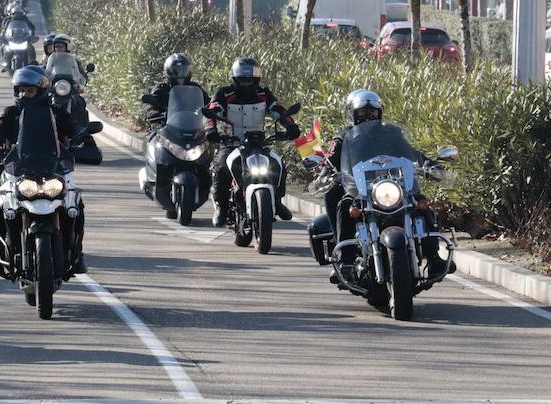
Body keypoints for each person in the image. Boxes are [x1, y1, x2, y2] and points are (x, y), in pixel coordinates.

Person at [0, 67, 98, 277]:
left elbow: (76, 129)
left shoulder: (58, 113)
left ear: (41, 91)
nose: (24, 95)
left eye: (29, 91)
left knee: (75, 203)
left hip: (53, 170)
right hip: (18, 171)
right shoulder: (10, 114)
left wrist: (86, 141)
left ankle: (77, 254)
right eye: (21, 90)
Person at [321, 90, 449, 279]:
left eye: (372, 112)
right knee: (345, 205)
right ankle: (345, 259)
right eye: (362, 113)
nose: (368, 117)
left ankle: (434, 257)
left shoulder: (392, 133)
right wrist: (326, 171)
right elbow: (331, 159)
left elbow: (411, 152)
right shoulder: (343, 138)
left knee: (420, 204)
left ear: (379, 112)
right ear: (352, 114)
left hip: (393, 185)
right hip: (361, 189)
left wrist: (429, 165)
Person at [205, 57, 300, 226]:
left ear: (257, 79)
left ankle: (277, 201)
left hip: (258, 144)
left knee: (278, 165)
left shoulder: (264, 94)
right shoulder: (224, 93)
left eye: (250, 80)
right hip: (231, 143)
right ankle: (221, 207)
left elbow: (278, 110)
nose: (246, 83)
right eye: (242, 79)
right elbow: (212, 111)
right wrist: (210, 130)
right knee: (221, 168)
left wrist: (291, 126)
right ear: (235, 78)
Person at [141, 53, 210, 124]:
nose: (181, 73)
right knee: (154, 135)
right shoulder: (162, 87)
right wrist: (153, 113)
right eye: (176, 70)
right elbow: (149, 105)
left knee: (211, 134)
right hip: (166, 128)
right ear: (168, 71)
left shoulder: (195, 88)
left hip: (194, 127)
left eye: (184, 70)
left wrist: (213, 108)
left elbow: (207, 102)